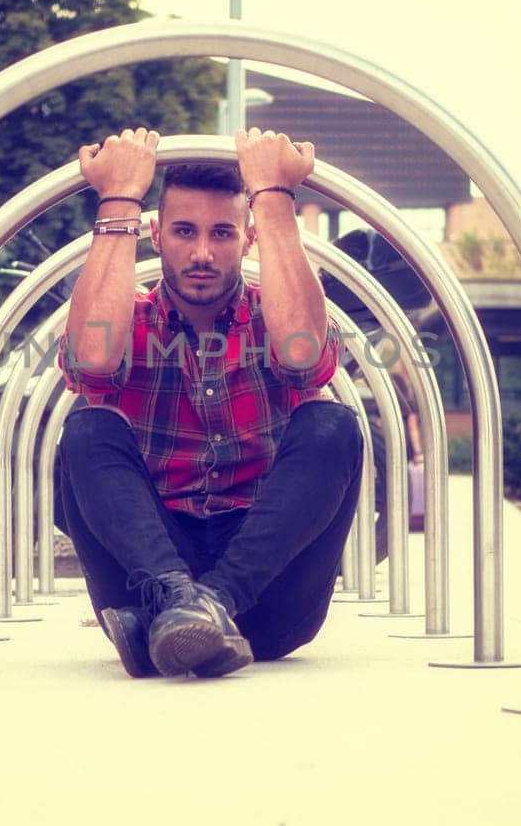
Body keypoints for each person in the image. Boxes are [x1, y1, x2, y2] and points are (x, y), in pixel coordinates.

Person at [55, 126, 363, 679]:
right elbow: (91, 359)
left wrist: (272, 198)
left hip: (268, 596)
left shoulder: (278, 311)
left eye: (222, 233)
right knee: (87, 428)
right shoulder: (132, 319)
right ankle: (179, 602)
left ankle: (199, 609)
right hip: (151, 568)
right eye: (183, 231)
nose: (202, 252)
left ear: (247, 239)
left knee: (333, 425)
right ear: (155, 234)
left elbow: (306, 359)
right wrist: (119, 197)